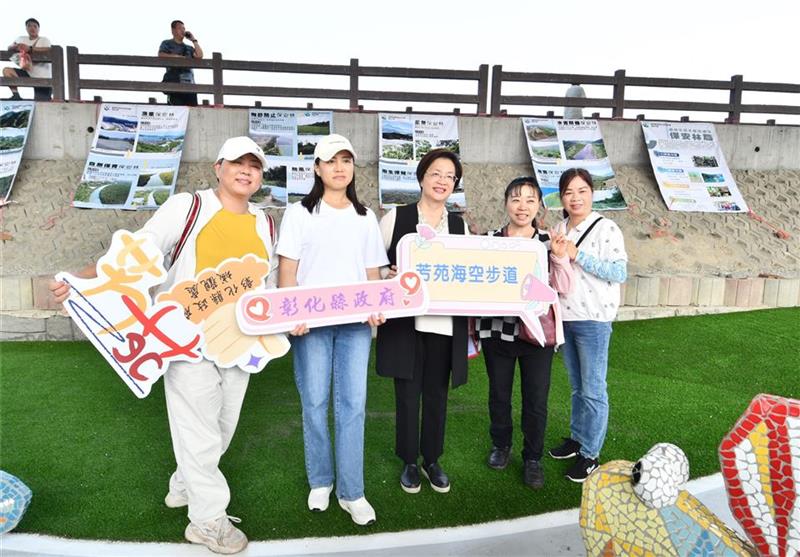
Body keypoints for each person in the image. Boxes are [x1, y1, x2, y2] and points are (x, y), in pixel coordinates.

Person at [50, 136, 276, 554]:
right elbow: (138, 252)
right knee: (200, 429)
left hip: (238, 342)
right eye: (237, 163)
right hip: (185, 338)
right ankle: (208, 521)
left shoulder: (265, 222)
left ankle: (185, 483)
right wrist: (79, 282)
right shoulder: (188, 207)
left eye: (254, 165)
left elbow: (270, 279)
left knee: (223, 427)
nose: (246, 171)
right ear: (218, 167)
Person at [276, 134, 388, 526]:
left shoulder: (364, 216)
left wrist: (376, 308)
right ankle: (320, 480)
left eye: (346, 160)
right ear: (317, 168)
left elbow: (374, 272)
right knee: (315, 402)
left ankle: (352, 491)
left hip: (356, 325)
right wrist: (291, 312)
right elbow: (287, 270)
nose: (339, 167)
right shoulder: (299, 213)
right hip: (310, 326)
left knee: (353, 405)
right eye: (331, 160)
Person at [376, 148, 468, 495]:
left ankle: (432, 459)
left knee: (436, 395)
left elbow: (469, 272)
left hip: (445, 325)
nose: (442, 181)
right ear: (421, 178)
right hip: (406, 324)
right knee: (407, 395)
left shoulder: (460, 225)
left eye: (449, 176)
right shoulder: (395, 218)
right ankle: (409, 461)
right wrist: (390, 273)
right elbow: (374, 268)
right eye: (435, 173)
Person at [476, 176, 573, 489]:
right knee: (499, 394)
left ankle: (532, 458)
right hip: (497, 331)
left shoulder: (548, 242)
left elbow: (564, 287)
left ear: (539, 206)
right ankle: (500, 446)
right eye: (516, 199)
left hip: (537, 336)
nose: (522, 206)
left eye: (530, 199)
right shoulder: (490, 240)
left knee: (536, 399)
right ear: (506, 203)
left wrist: (558, 257)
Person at [547, 168, 627, 483]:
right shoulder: (559, 227)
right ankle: (577, 438)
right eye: (568, 192)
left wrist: (577, 253)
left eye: (581, 191)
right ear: (562, 197)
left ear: (592, 193)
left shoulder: (607, 228)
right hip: (566, 317)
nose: (575, 198)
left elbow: (618, 272)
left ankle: (591, 454)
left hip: (594, 318)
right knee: (578, 386)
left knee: (593, 388)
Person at [3, 18, 52, 101]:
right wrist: (14, 47)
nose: (32, 28)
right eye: (29, 26)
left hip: (42, 76)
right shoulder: (21, 39)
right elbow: (9, 47)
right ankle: (15, 95)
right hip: (27, 72)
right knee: (7, 71)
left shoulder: (44, 40)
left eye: (35, 26)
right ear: (26, 28)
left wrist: (30, 49)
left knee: (42, 102)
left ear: (38, 29)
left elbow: (48, 49)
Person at [158, 20, 203, 106]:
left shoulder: (188, 48)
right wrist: (177, 57)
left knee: (192, 113)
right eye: (180, 28)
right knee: (176, 112)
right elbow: (161, 54)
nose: (183, 30)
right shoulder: (167, 43)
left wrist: (194, 40)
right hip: (174, 84)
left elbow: (200, 55)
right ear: (173, 30)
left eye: (184, 29)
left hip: (190, 85)